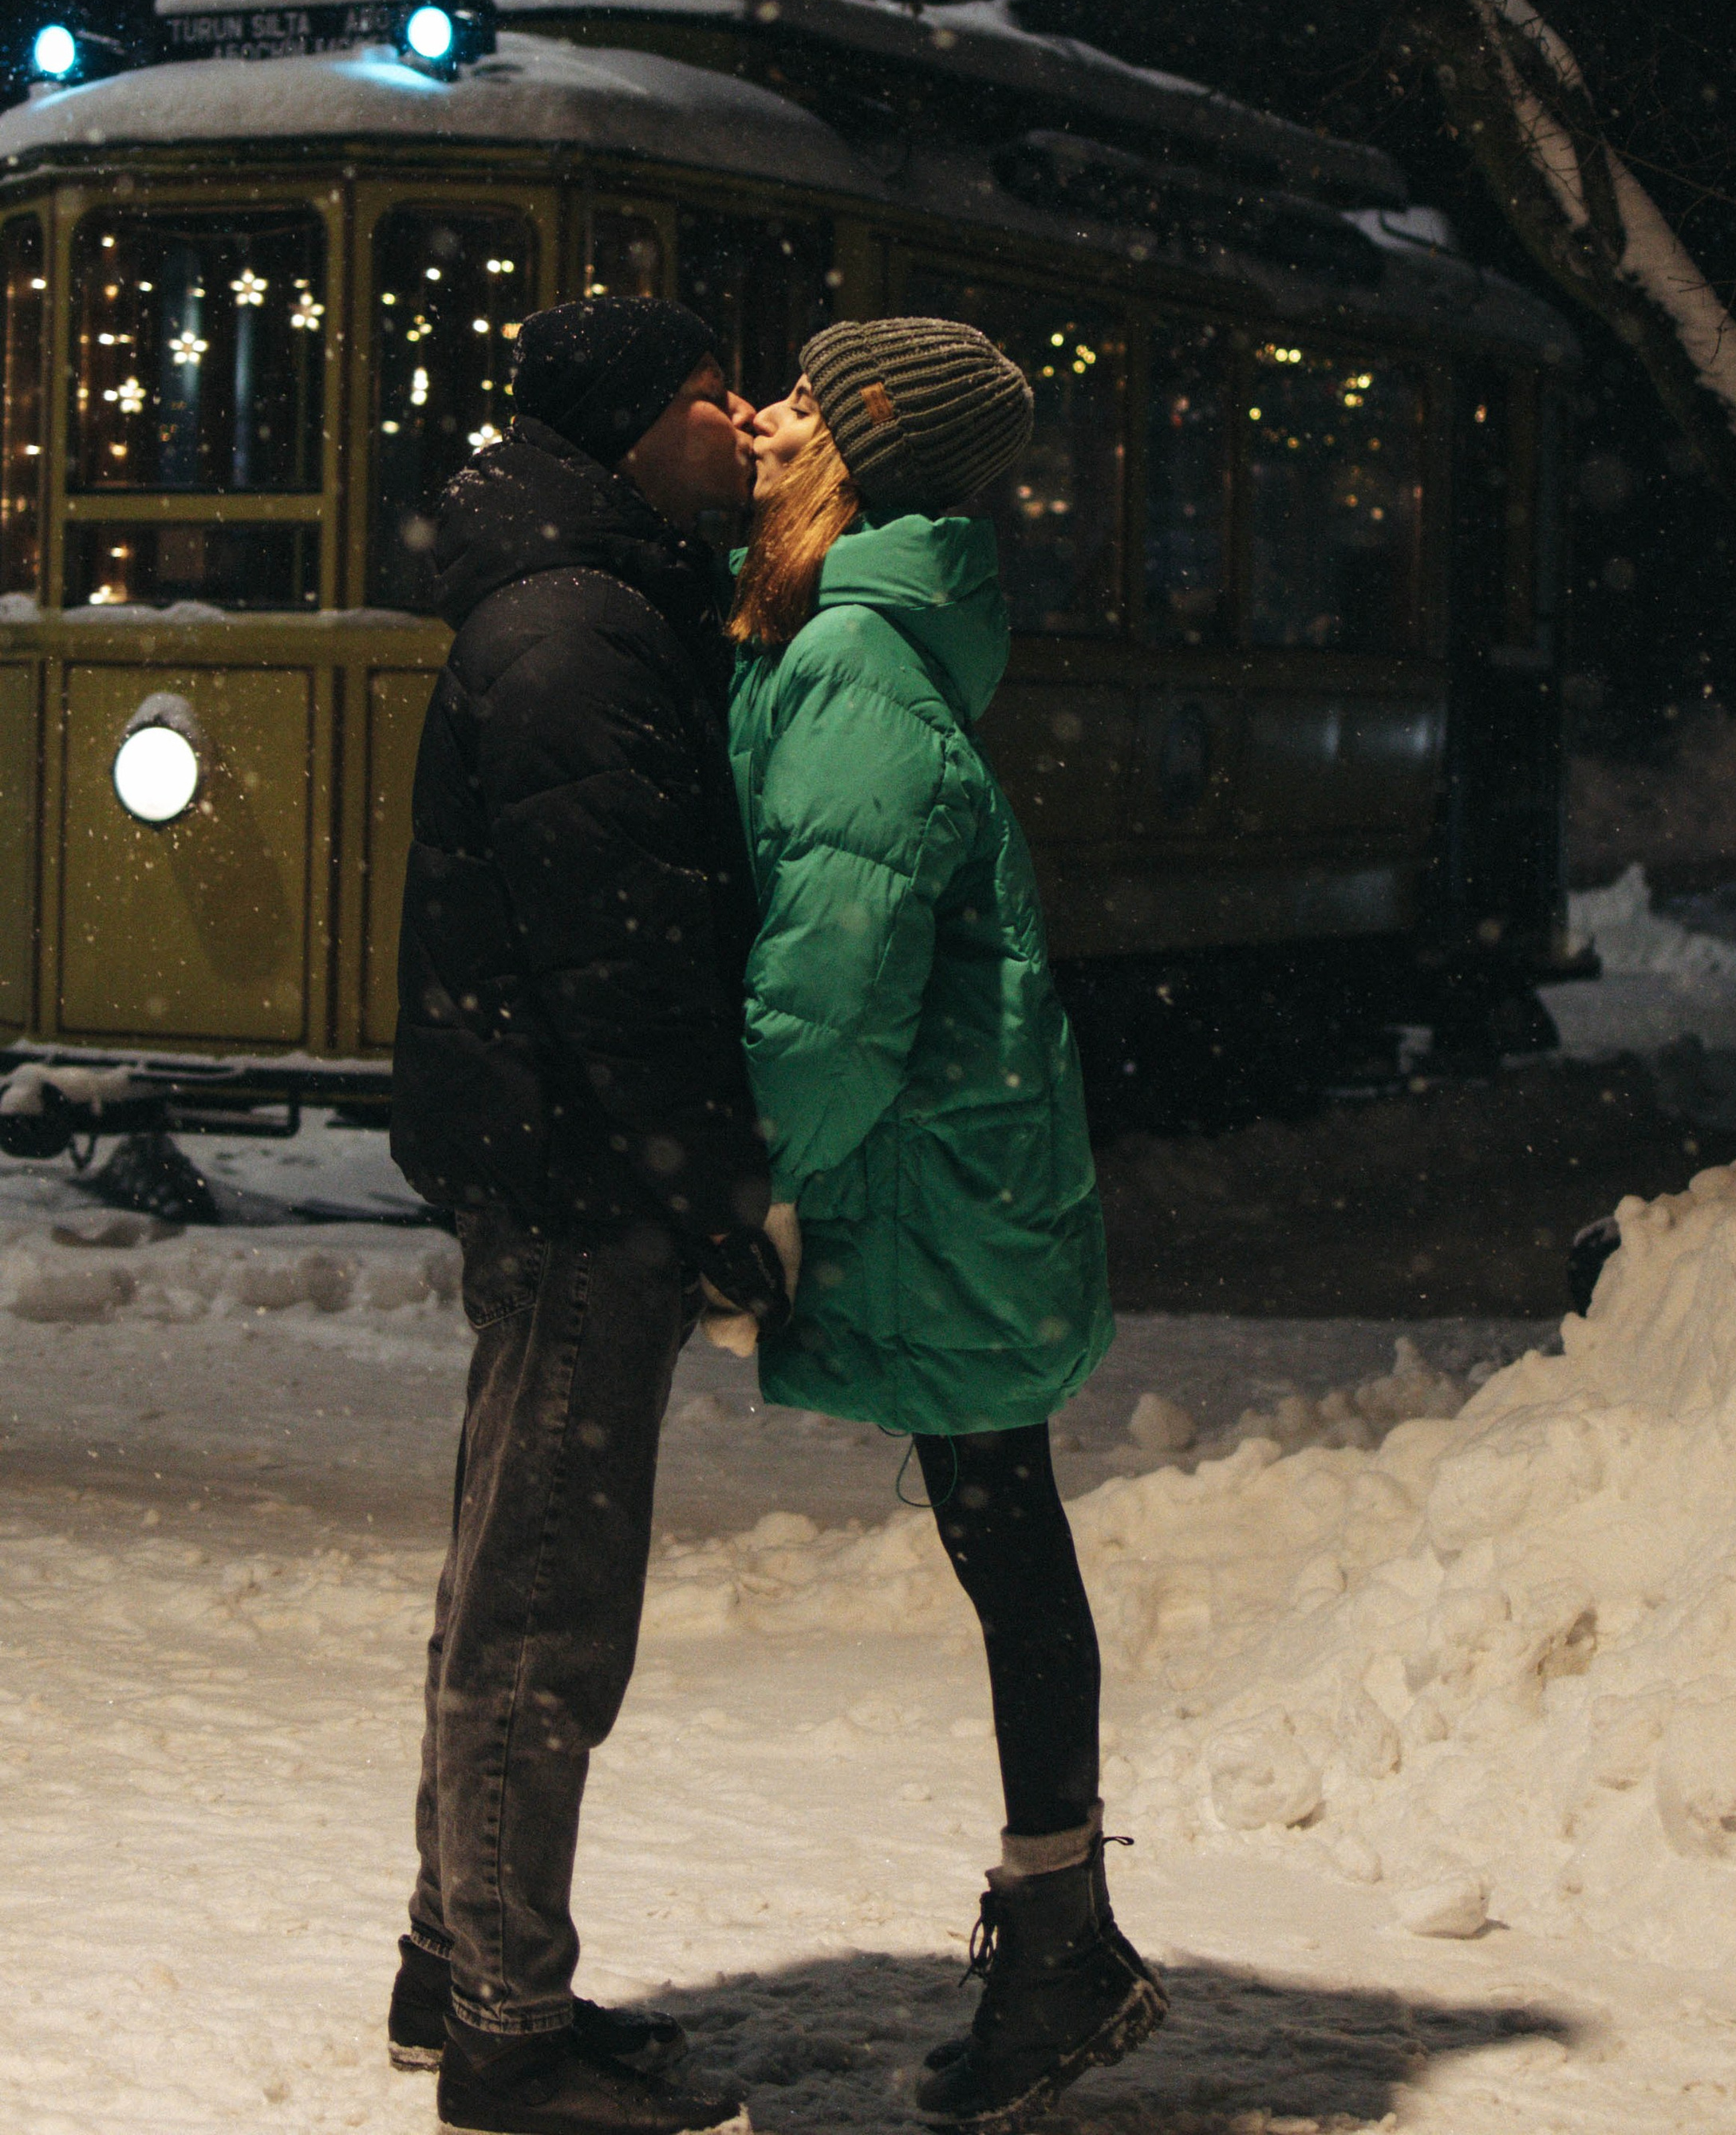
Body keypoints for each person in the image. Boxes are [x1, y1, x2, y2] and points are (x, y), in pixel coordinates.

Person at [726, 317, 1169, 2135]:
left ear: (858, 455)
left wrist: (742, 1181)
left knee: (1006, 1541)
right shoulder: (876, 641)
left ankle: (1066, 1946)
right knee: (1006, 1539)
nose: (756, 418)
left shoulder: (848, 661)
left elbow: (833, 993)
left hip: (927, 1186)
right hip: (962, 1178)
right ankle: (1066, 1928)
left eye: (797, 403)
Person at [388, 297, 788, 2135]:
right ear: (636, 429)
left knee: (506, 1570)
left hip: (545, 1159)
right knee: (543, 1607)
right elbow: (625, 967)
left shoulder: (578, 598)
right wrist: (709, 1190)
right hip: (575, 1179)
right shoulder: (574, 631)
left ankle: (450, 1959)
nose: (741, 426)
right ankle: (508, 2032)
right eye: (713, 400)